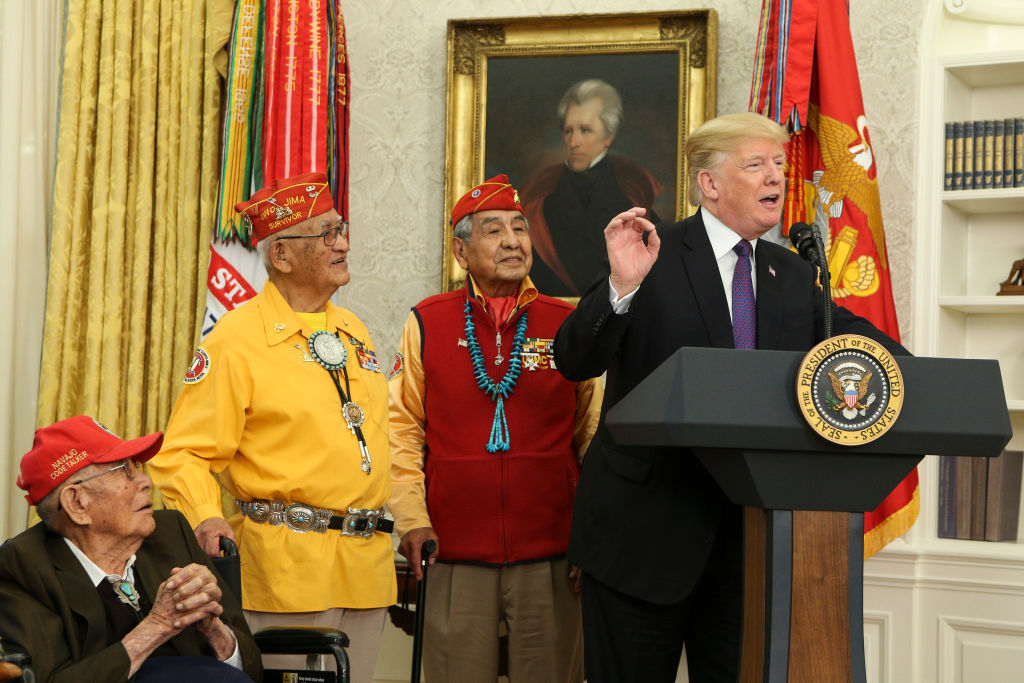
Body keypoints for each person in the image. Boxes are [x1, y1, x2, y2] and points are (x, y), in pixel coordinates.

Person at [552, 112, 910, 683]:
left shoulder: (791, 274)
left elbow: (860, 344)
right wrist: (621, 287)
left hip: (749, 552)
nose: (775, 176)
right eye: (756, 165)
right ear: (710, 183)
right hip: (641, 543)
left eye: (778, 164)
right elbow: (574, 359)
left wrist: (923, 383)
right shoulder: (650, 253)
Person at [148, 172, 395, 683]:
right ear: (281, 255)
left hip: (366, 570)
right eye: (326, 234)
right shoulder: (237, 340)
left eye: (341, 228)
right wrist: (203, 515)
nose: (343, 242)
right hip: (287, 573)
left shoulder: (354, 331)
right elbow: (182, 453)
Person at [388, 174, 603, 682]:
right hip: (453, 555)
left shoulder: (565, 322)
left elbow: (593, 438)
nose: (512, 241)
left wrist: (592, 536)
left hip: (553, 555)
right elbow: (402, 431)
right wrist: (413, 521)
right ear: (462, 253)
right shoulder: (427, 321)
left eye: (519, 228)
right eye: (493, 230)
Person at [0, 415, 262, 683]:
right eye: (123, 470)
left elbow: (254, 667)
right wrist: (156, 626)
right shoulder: (25, 567)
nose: (146, 481)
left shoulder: (171, 533)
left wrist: (215, 630)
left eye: (137, 466)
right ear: (77, 503)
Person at [521, 79, 663, 297]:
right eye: (568, 131)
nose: (573, 142)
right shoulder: (539, 194)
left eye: (585, 130)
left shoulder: (632, 189)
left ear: (608, 137)